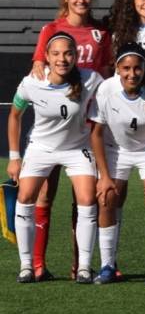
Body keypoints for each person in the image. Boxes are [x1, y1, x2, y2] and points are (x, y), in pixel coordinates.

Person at [28, 0, 112, 280]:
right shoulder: (51, 30)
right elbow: (38, 68)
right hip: (53, 126)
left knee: (83, 198)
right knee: (44, 195)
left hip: (86, 126)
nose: (81, 0)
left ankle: (81, 266)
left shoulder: (101, 32)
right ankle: (37, 265)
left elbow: (105, 74)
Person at [8, 32, 103, 283]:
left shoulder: (90, 79)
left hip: (77, 149)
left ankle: (83, 267)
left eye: (68, 53)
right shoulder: (32, 82)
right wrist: (15, 157)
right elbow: (14, 116)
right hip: (41, 148)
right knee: (26, 197)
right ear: (47, 57)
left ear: (76, 56)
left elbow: (113, 98)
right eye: (56, 54)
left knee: (87, 199)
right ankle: (27, 266)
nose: (63, 59)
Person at [89, 43, 145, 285]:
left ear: (144, 68)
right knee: (106, 198)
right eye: (126, 68)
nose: (132, 73)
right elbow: (96, 133)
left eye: (137, 68)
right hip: (117, 150)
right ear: (117, 68)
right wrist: (104, 176)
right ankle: (107, 265)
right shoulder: (106, 89)